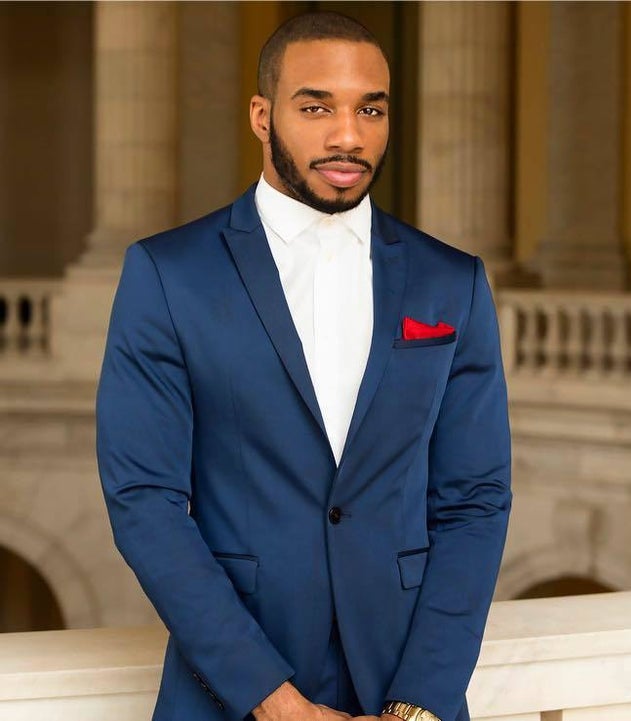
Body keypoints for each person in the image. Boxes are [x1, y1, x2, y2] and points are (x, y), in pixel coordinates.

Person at [95, 11, 512, 721]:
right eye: (316, 106)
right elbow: (145, 500)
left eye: (369, 109)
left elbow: (475, 499)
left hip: (405, 688)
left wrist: (420, 702)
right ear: (262, 116)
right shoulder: (167, 275)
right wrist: (273, 699)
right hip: (228, 693)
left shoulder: (453, 283)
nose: (347, 135)